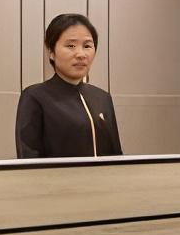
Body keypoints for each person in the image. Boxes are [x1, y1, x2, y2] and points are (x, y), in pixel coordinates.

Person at [15, 13, 124, 158]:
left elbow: (116, 157)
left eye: (87, 46)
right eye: (71, 46)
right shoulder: (35, 97)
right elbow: (29, 159)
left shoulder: (103, 98)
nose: (81, 54)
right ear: (51, 52)